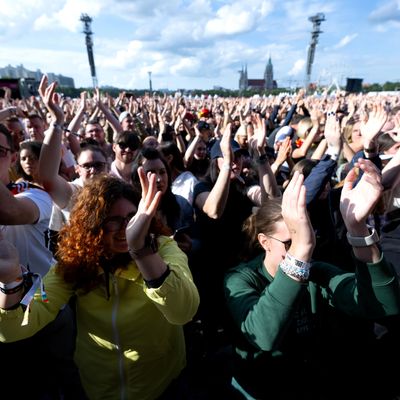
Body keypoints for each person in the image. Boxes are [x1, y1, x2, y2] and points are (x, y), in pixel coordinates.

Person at [0, 173, 200, 399]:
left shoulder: (162, 248)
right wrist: (11, 281)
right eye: (113, 219)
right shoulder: (77, 263)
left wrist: (142, 251)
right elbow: (12, 331)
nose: (126, 227)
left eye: (132, 217)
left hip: (162, 385)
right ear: (92, 224)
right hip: (100, 388)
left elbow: (183, 311)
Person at [224, 163, 400, 400]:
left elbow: (384, 303)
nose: (299, 249)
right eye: (289, 242)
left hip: (313, 384)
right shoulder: (241, 278)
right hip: (261, 388)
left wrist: (358, 231)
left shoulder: (316, 272)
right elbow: (264, 336)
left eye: (305, 238)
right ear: (264, 242)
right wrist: (300, 252)